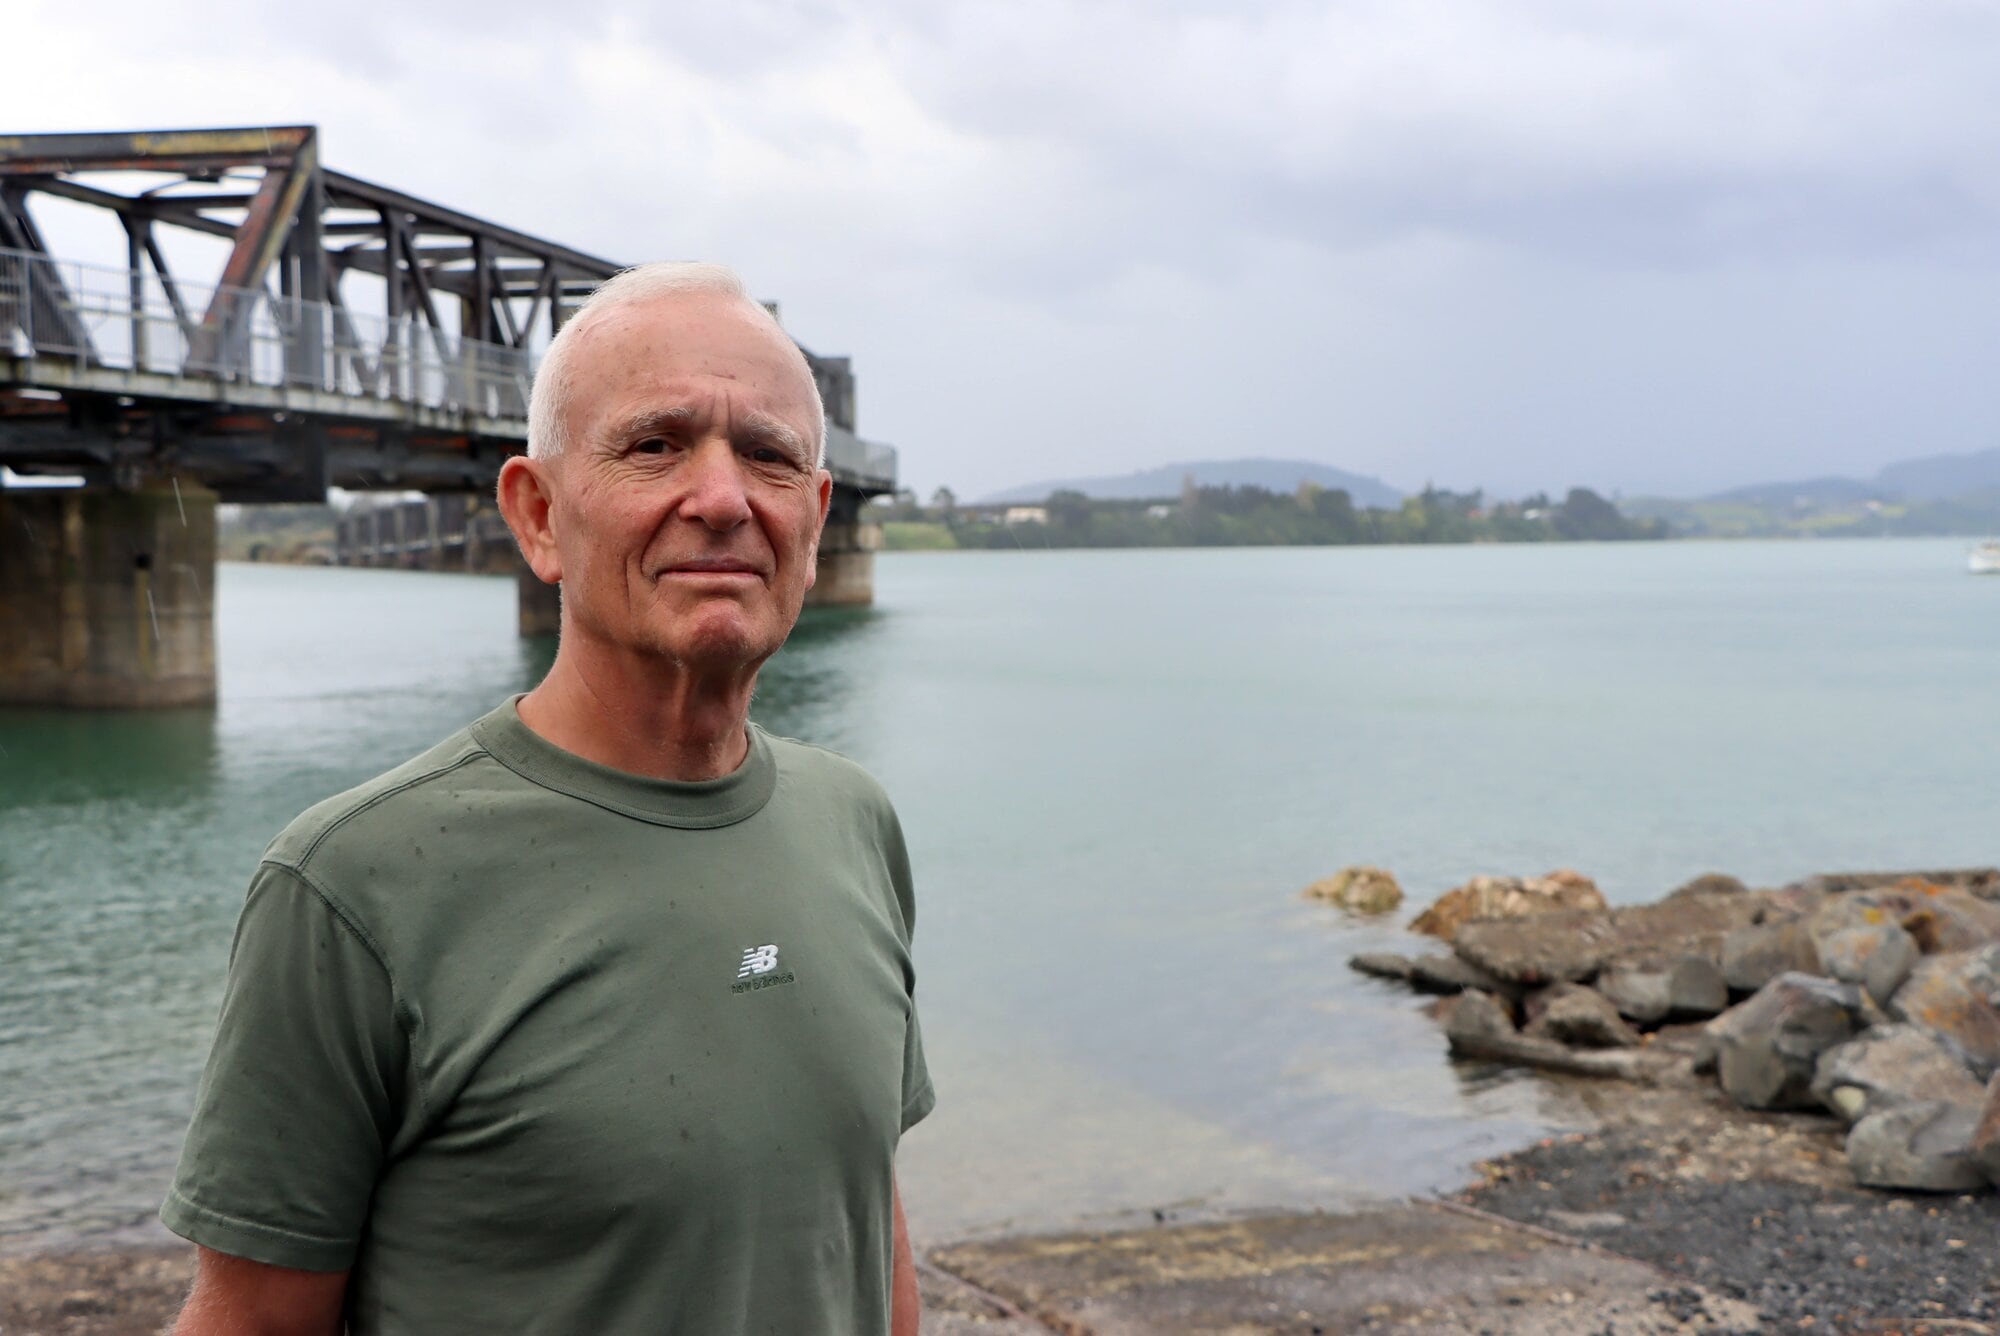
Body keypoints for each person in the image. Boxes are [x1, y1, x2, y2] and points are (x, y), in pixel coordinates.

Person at [161, 263, 933, 1335]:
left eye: (768, 454)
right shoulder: (349, 883)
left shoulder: (853, 821)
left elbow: (859, 1214)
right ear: (536, 517)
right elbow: (249, 1322)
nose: (721, 497)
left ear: (814, 517)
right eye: (656, 443)